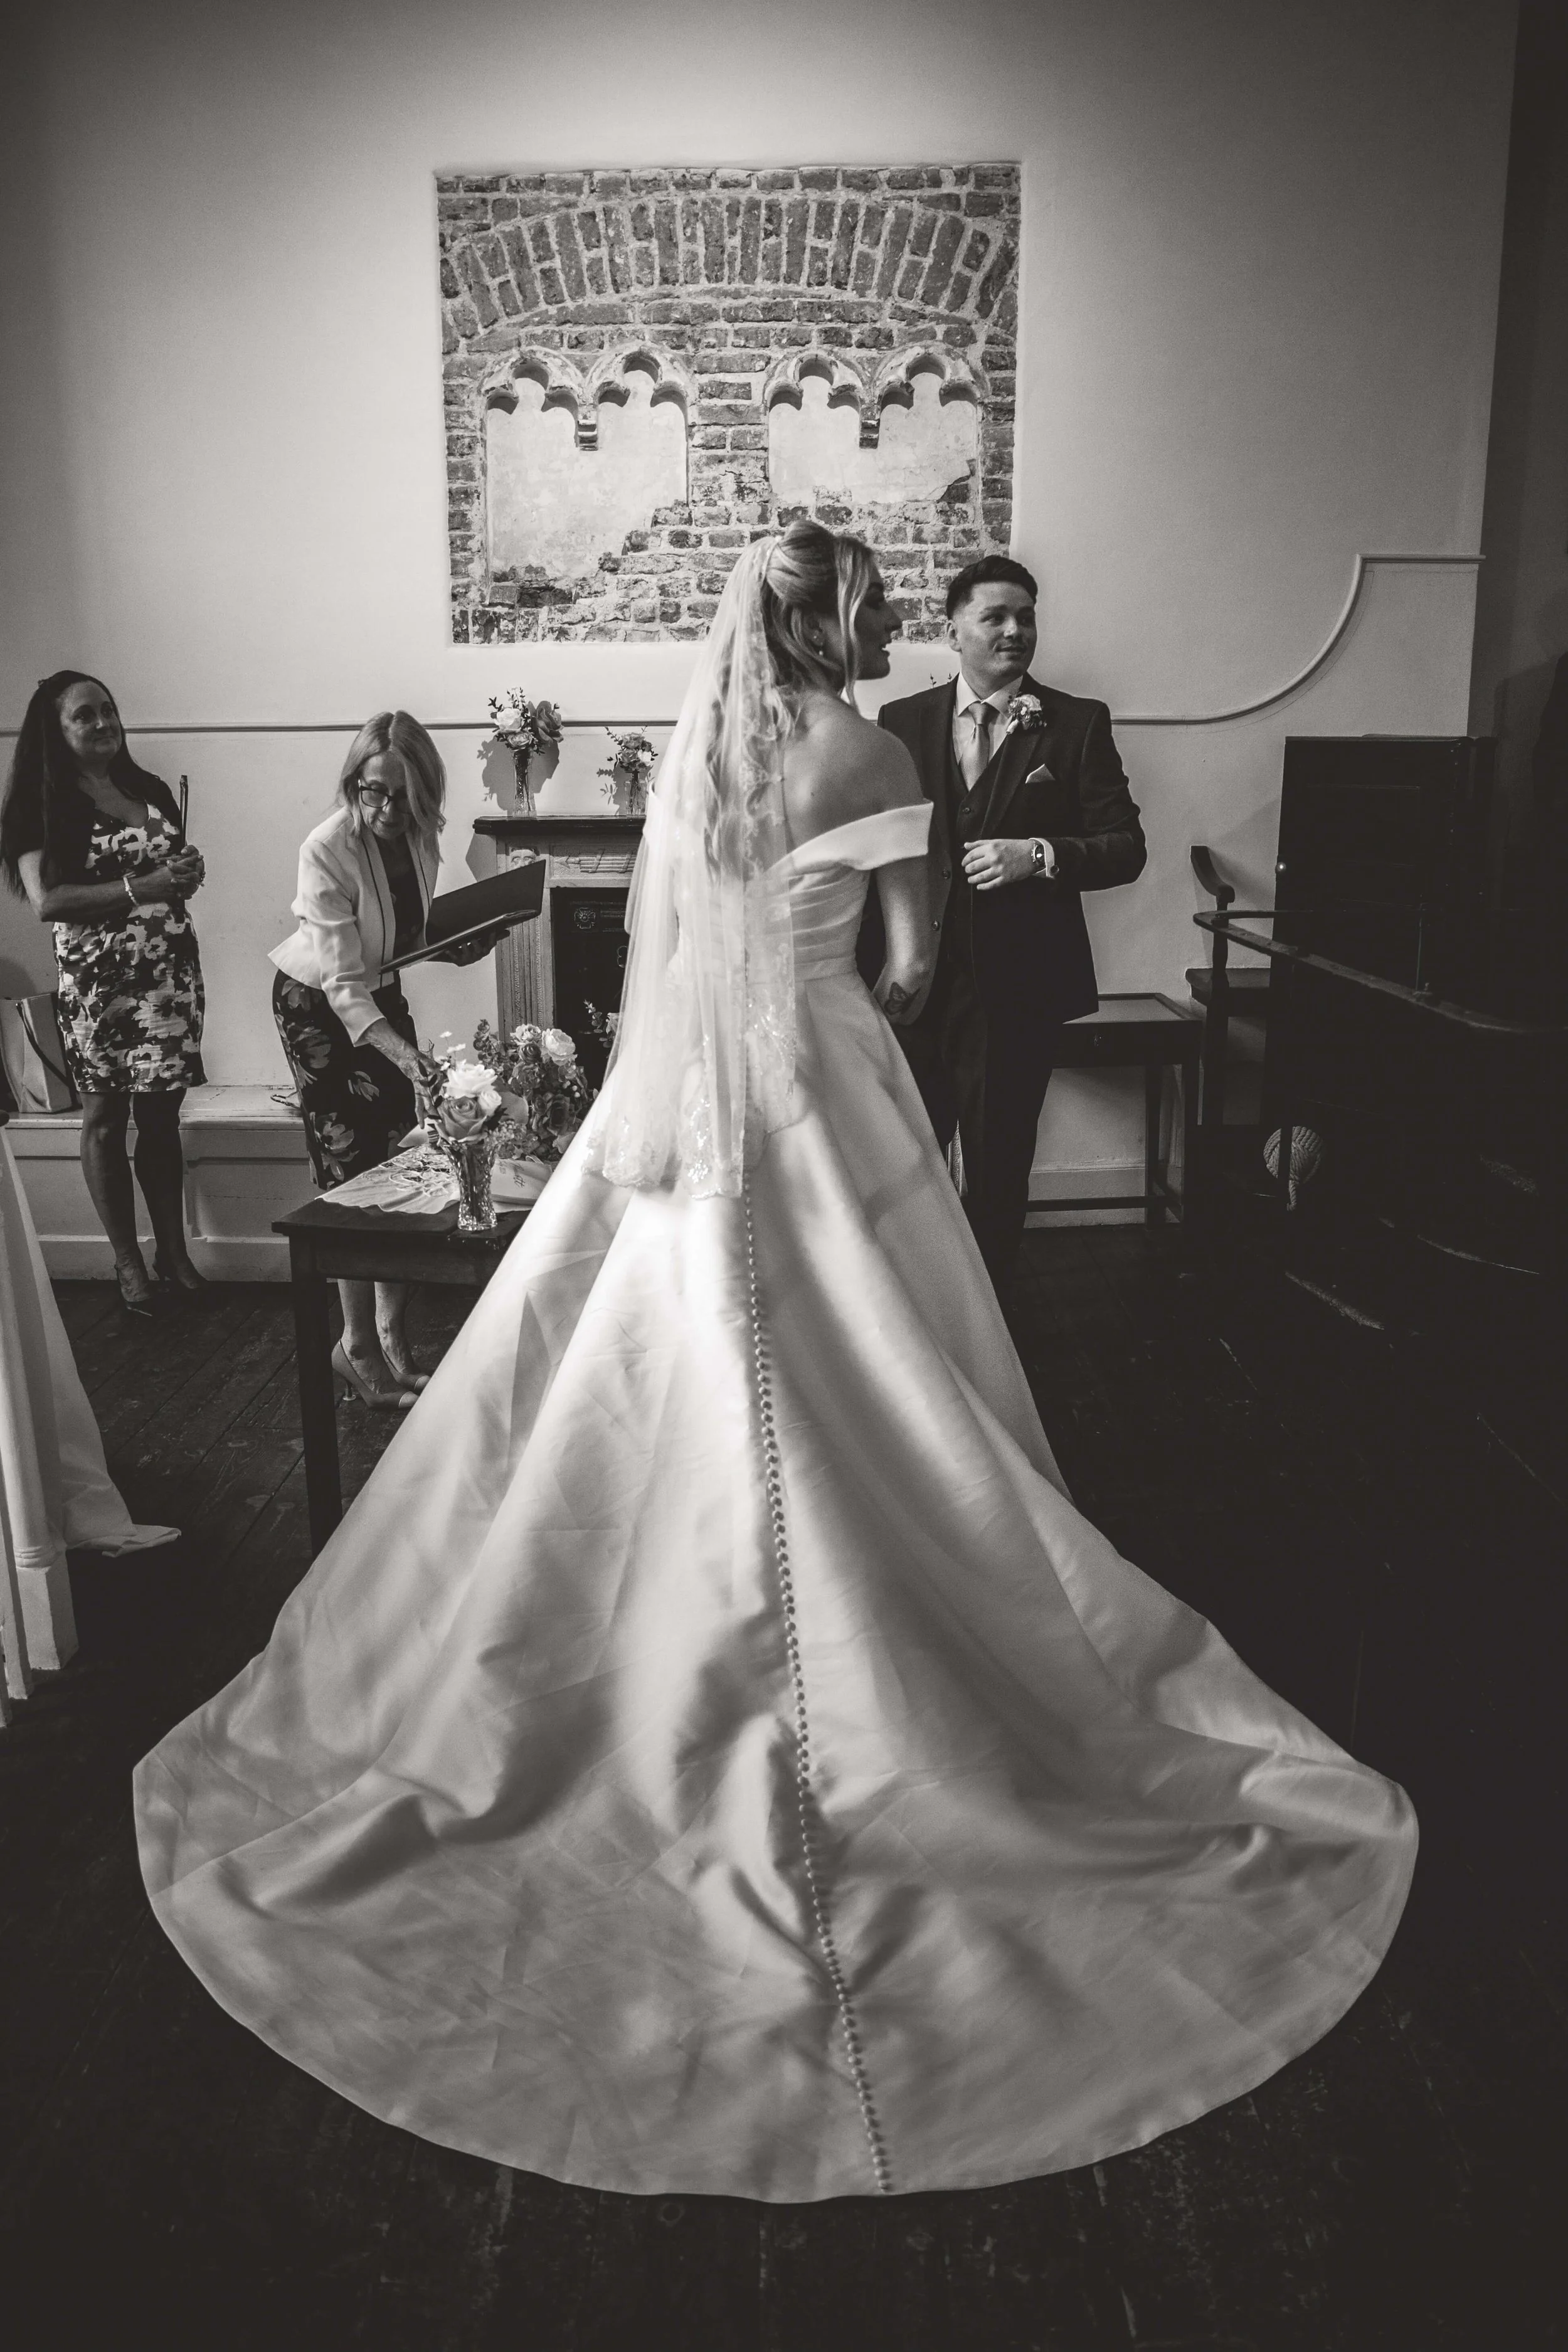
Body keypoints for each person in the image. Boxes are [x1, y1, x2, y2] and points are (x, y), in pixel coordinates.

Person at [135, 526, 1414, 2204]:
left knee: (638, 1373)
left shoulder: (707, 749)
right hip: (826, 1086)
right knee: (883, 1372)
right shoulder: (873, 747)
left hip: (694, 1124)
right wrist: (856, 1004)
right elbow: (910, 958)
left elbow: (670, 961)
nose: (887, 614)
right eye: (875, 598)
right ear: (843, 616)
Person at [858, 556, 1147, 1292]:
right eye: (996, 616)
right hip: (912, 989)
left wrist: (1040, 853)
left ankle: (994, 1332)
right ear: (953, 628)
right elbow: (877, 857)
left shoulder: (1077, 724)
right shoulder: (899, 724)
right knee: (901, 1161)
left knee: (997, 1168)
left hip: (1017, 996)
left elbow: (1125, 847)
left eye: (1027, 615)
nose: (1015, 630)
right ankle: (915, 1313)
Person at [270, 711, 500, 1409]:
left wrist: (467, 939)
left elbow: (408, 927)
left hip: (378, 989)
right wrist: (406, 1056)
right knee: (349, 1174)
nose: (387, 809)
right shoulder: (325, 847)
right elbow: (342, 982)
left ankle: (394, 1339)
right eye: (372, 792)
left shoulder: (423, 832)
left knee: (402, 1163)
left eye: (402, 795)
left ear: (426, 792)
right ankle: (357, 1349)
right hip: (315, 1004)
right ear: (354, 784)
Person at [1, 672, 208, 1318]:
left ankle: (174, 1255)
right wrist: (140, 888)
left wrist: (185, 873)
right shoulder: (42, 806)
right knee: (105, 1120)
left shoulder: (145, 789)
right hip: (101, 990)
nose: (103, 723)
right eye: (84, 716)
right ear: (55, 733)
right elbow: (47, 901)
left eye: (108, 710)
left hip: (169, 980)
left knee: (161, 1123)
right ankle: (128, 1262)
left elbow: (162, 873)